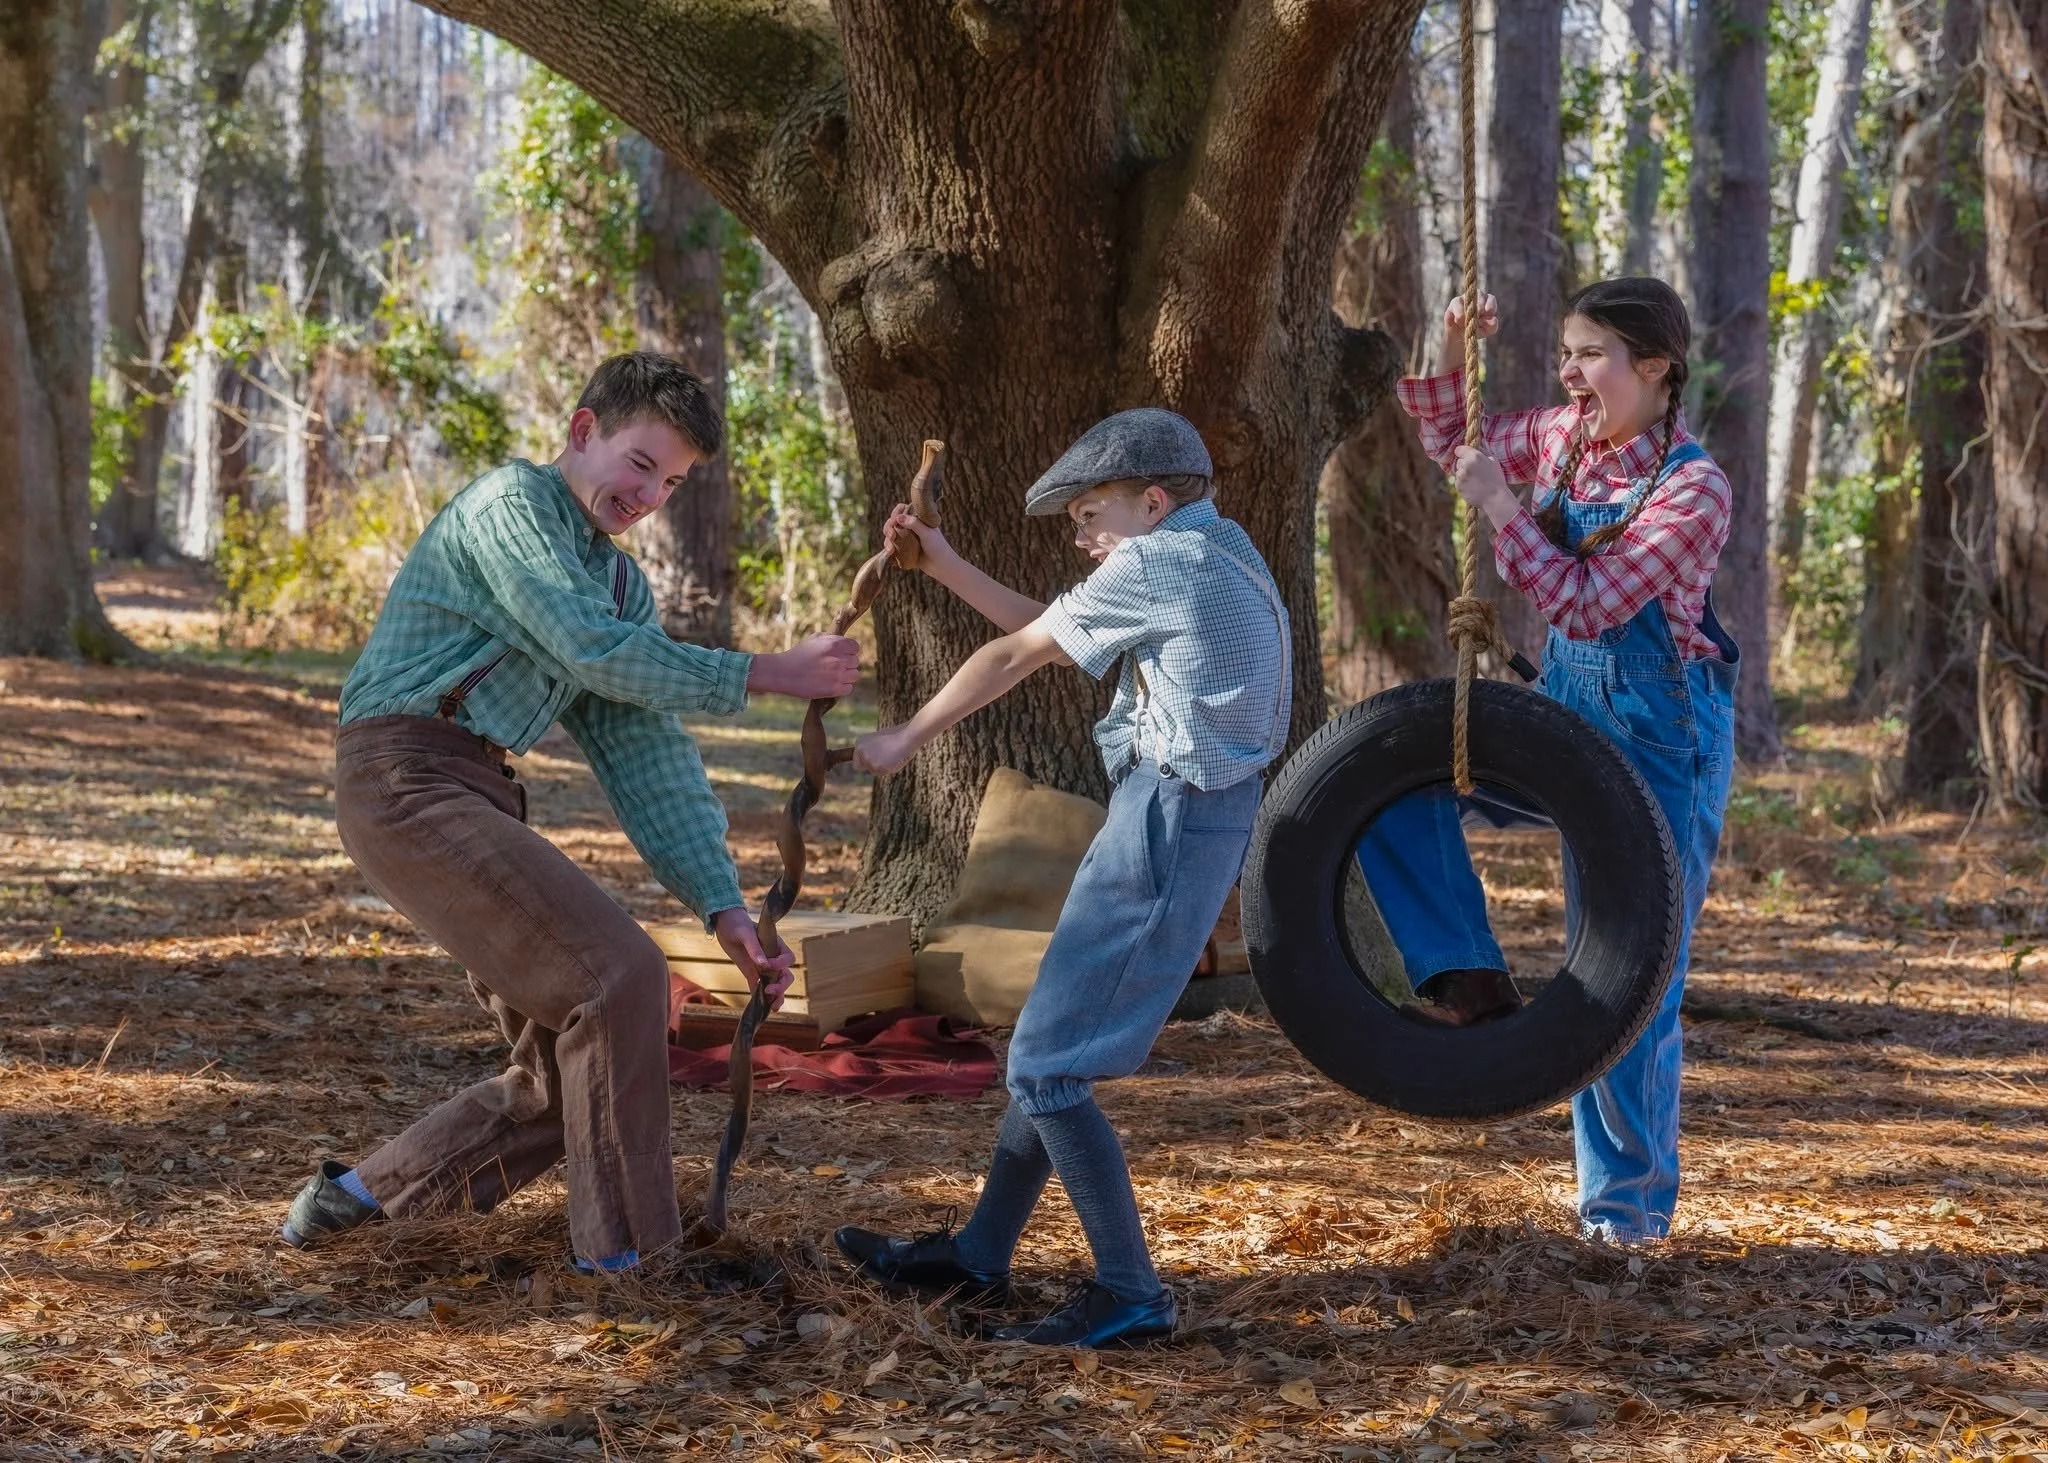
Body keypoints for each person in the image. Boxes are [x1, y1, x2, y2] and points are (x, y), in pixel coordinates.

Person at [278, 352, 858, 1274]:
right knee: (616, 977)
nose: (649, 496)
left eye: (671, 483)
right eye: (641, 464)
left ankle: (357, 1201)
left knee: (570, 1070)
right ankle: (632, 1265)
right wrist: (763, 671)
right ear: (584, 430)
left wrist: (724, 907)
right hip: (402, 780)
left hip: (475, 790)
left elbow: (646, 753)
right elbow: (588, 647)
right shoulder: (509, 507)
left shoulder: (620, 585)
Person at [831, 408, 1292, 1348]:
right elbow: (1048, 629)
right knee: (1048, 1047)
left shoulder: (1160, 563)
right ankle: (979, 1255)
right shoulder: (1219, 549)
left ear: (1151, 502)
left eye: (1090, 515)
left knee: (1044, 1064)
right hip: (1180, 815)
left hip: (1168, 822)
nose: (1081, 537)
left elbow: (1014, 654)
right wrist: (943, 564)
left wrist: (905, 737)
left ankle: (1130, 1292)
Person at [1355, 277, 1738, 1244]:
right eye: (1566, 351)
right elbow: (1452, 435)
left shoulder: (1694, 487)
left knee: (1629, 982)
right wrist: (1452, 339)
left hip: (1661, 740)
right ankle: (1470, 983)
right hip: (1566, 714)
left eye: (1591, 354)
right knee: (1390, 796)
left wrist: (1499, 505)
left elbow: (1588, 604)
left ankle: (1624, 1221)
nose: (1570, 372)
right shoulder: (1566, 437)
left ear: (1656, 367)